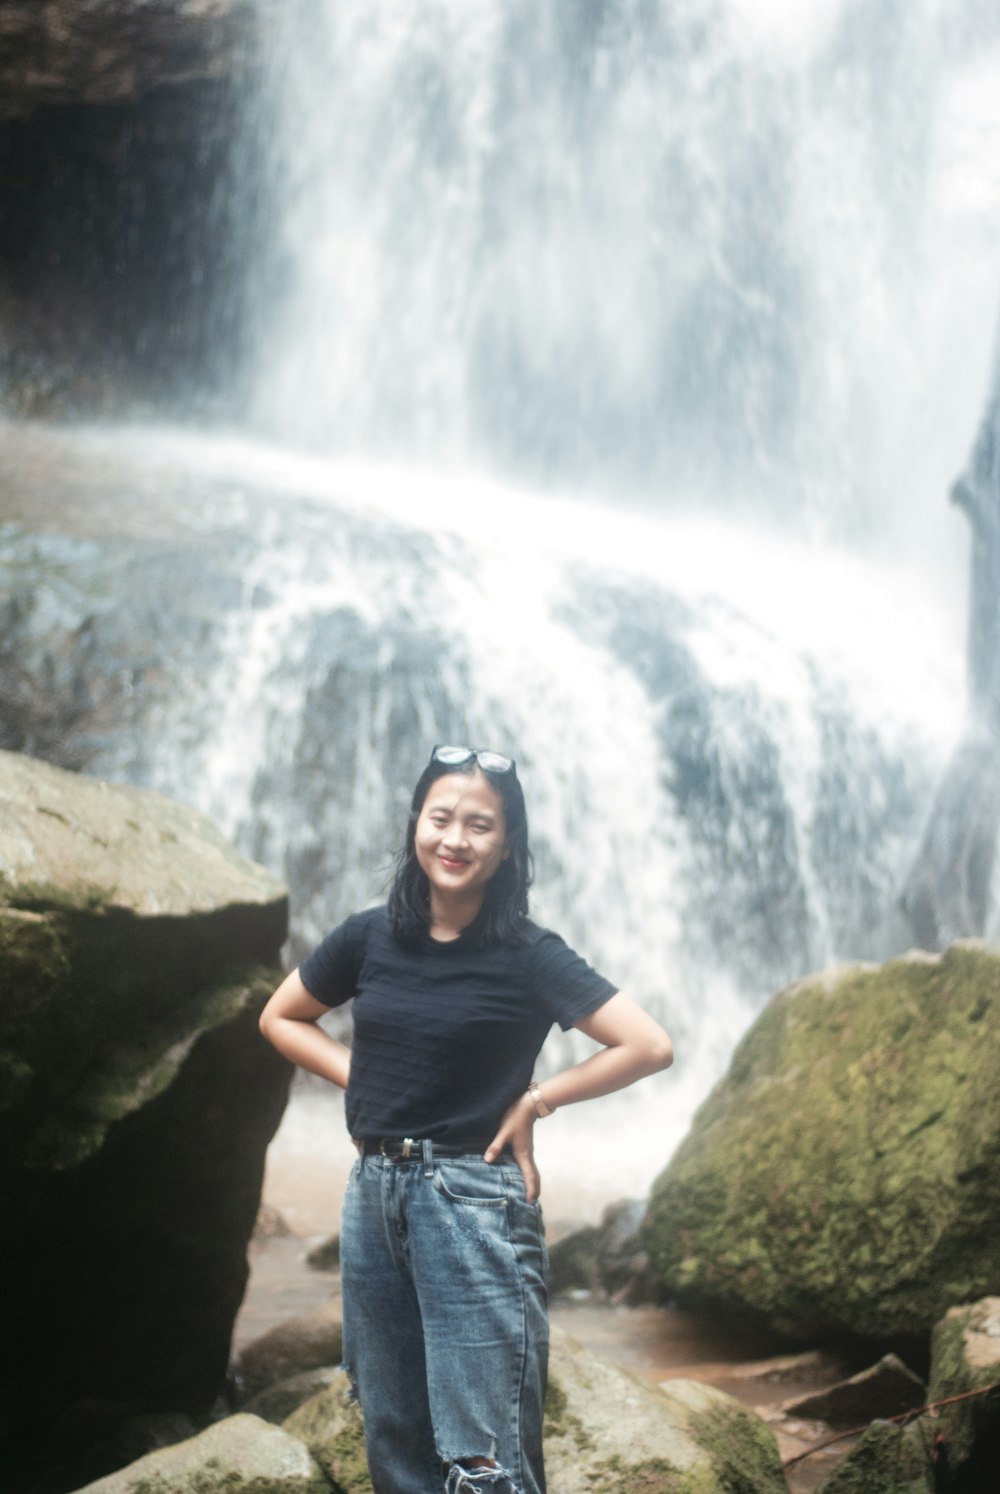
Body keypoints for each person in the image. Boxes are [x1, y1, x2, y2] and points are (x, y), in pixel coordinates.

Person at [259, 744, 673, 1494]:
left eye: (478, 825)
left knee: (485, 1456)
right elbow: (282, 1017)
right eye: (440, 817)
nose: (455, 840)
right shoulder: (367, 935)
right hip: (373, 1191)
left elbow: (648, 1044)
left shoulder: (528, 954)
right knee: (394, 1437)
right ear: (416, 821)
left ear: (507, 843)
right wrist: (367, 1076)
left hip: (471, 1197)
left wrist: (537, 1099)